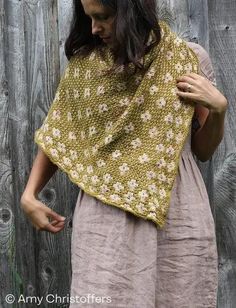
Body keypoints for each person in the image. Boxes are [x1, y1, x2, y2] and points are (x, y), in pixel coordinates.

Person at [21, 0, 227, 307]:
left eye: (102, 17)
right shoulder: (86, 65)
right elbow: (60, 135)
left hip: (178, 212)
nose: (94, 28)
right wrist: (29, 194)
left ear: (132, 9)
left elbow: (204, 151)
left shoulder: (187, 59)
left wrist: (219, 110)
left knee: (182, 295)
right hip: (106, 217)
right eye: (89, 18)